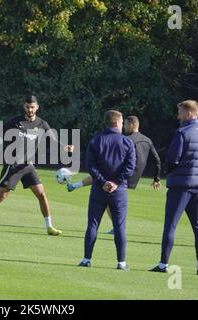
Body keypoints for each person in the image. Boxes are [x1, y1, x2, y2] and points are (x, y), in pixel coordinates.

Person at [0, 95, 73, 235]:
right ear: (24, 107)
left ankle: (49, 227)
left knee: (42, 194)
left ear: (37, 107)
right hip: (13, 165)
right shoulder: (16, 122)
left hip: (28, 166)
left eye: (32, 107)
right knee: (1, 196)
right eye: (27, 107)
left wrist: (64, 147)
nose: (30, 110)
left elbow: (53, 139)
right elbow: (2, 136)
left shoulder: (42, 124)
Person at [149, 100, 198, 276]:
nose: (177, 115)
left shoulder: (182, 132)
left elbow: (173, 159)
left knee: (170, 225)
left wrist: (170, 174)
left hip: (180, 185)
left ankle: (163, 264)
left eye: (179, 112)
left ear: (189, 113)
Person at [67, 115, 161, 233]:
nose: (124, 126)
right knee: (104, 188)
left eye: (126, 124)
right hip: (135, 175)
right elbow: (156, 159)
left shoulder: (126, 140)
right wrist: (157, 178)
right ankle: (116, 227)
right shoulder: (147, 140)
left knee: (103, 186)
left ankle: (117, 228)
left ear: (132, 125)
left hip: (124, 174)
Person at [79, 110, 136, 270]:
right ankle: (121, 262)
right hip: (119, 191)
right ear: (117, 123)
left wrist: (103, 181)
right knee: (119, 226)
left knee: (93, 224)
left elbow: (90, 165)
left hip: (98, 188)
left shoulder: (96, 141)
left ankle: (86, 259)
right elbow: (130, 167)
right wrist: (116, 182)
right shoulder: (127, 142)